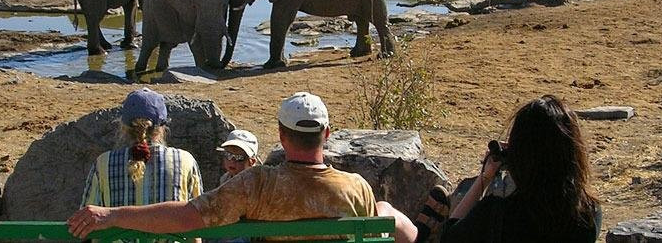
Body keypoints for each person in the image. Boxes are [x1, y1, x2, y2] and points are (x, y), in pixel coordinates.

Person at [69, 92, 418, 241]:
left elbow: (188, 216)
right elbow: (406, 234)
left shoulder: (256, 184)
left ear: (281, 135)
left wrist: (112, 215)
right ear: (326, 134)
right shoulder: (356, 187)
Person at [413, 95, 601, 243]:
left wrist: (484, 179)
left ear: (518, 156)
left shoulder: (496, 214)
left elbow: (450, 237)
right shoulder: (589, 214)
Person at [80, 88, 203, 209]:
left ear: (123, 127)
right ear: (162, 128)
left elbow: (86, 215)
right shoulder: (185, 161)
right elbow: (200, 213)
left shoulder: (103, 163)